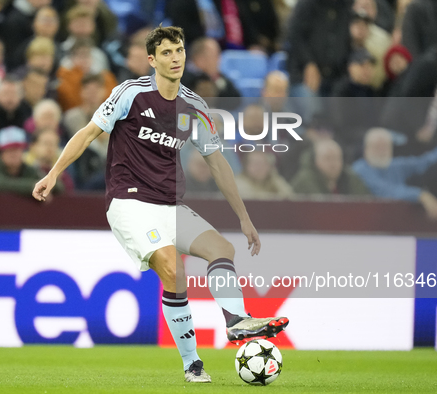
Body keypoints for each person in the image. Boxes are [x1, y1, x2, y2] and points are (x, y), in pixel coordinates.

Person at [32, 26, 288, 383]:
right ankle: (191, 363)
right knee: (173, 267)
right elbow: (89, 131)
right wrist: (54, 172)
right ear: (152, 60)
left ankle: (235, 322)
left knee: (222, 248)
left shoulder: (195, 108)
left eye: (179, 50)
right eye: (166, 52)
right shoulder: (131, 94)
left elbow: (217, 163)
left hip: (170, 203)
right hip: (130, 201)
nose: (175, 58)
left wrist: (243, 217)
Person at [353, 127, 437, 224]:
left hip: (398, 224)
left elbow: (427, 162)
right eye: (377, 147)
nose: (382, 150)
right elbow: (384, 190)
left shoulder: (395, 165)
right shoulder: (359, 169)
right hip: (369, 224)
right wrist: (420, 195)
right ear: (366, 149)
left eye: (385, 146)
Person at [0, 125, 62, 195]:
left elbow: (58, 186)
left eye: (17, 149)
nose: (14, 154)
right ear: (0, 153)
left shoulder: (27, 168)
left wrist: (42, 187)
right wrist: (34, 187)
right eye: (9, 150)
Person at [291, 139, 369, 195]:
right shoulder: (305, 181)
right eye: (327, 158)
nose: (333, 164)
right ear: (315, 161)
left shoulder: (350, 177)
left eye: (336, 158)